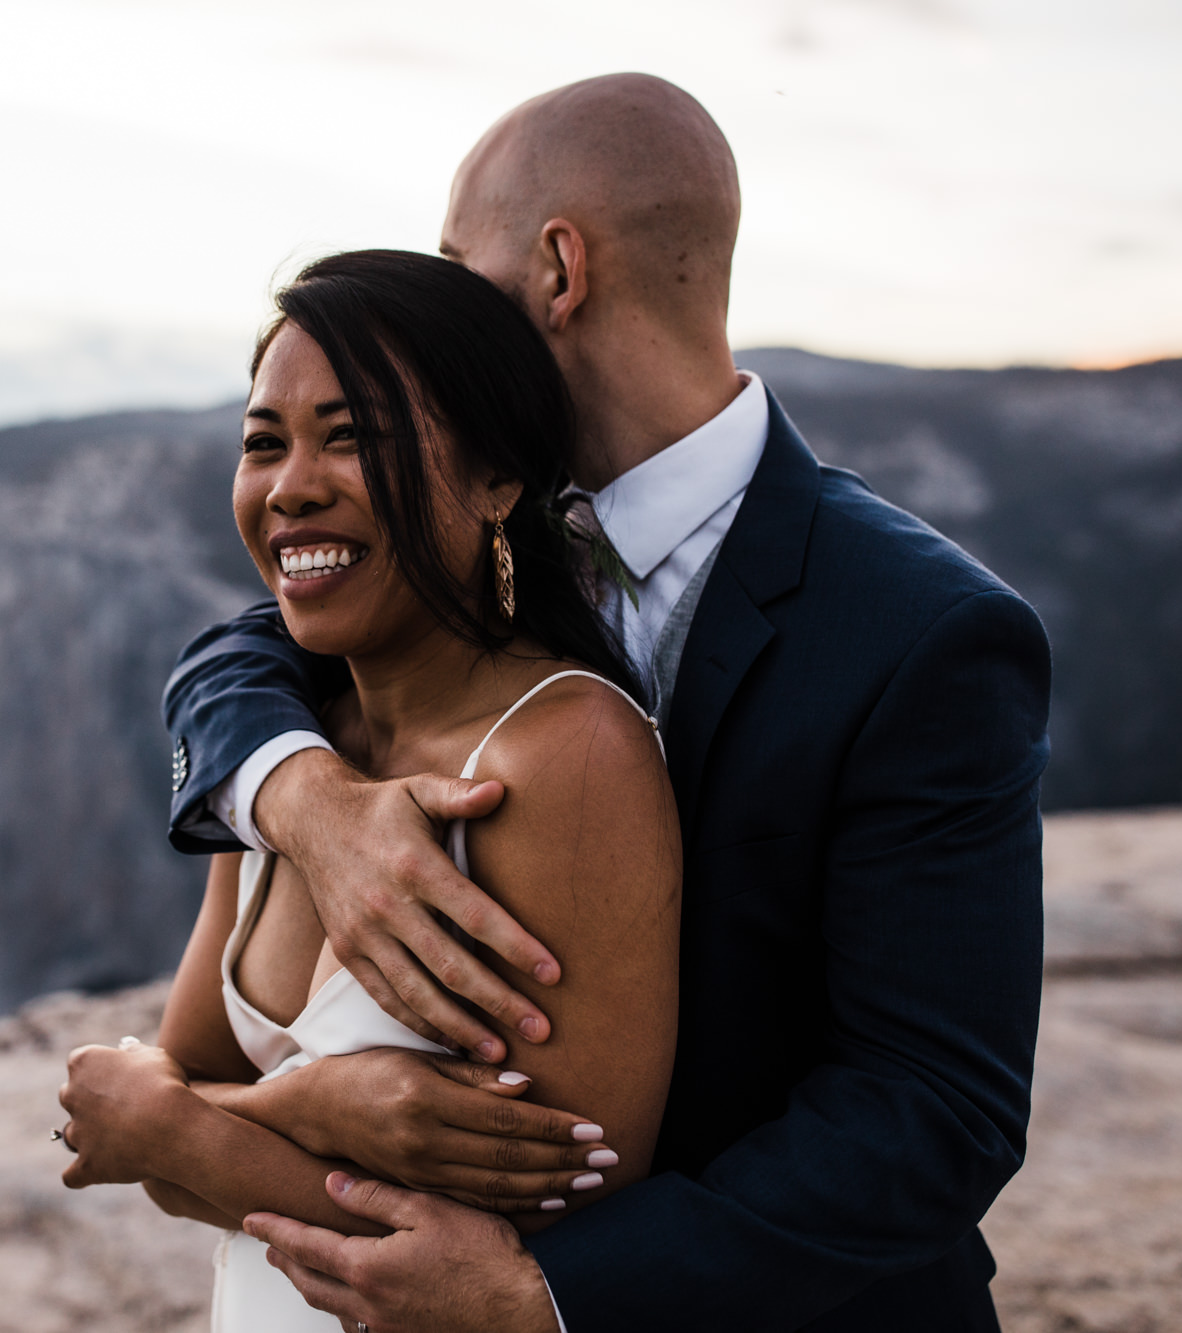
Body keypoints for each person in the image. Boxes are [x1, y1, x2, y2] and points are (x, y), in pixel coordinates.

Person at [155, 74, 1050, 1331]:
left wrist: (551, 1295)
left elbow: (934, 1107)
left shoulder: (921, 631)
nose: (436, 311)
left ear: (558, 272)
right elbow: (236, 654)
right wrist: (300, 797)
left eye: (460, 269)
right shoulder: (469, 535)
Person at [55, 248, 683, 1329]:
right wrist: (288, 1111)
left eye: (352, 439)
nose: (291, 485)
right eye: (264, 443)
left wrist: (189, 1128)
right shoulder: (282, 767)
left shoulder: (562, 759)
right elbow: (161, 1150)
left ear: (495, 479)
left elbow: (544, 1254)